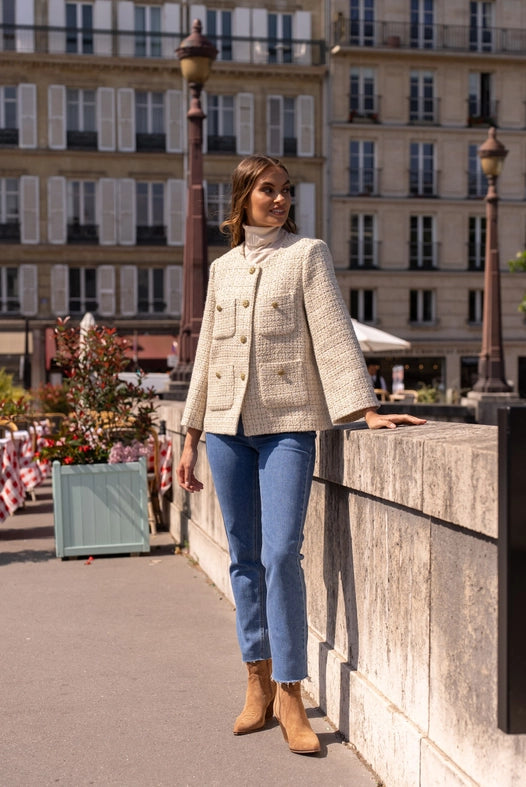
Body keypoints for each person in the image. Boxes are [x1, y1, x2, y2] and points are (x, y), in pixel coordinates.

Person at [177, 154, 426, 755]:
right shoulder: (222, 269)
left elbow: (334, 333)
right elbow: (208, 350)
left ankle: (291, 690)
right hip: (225, 428)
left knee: (280, 550)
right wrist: (188, 436)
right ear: (243, 198)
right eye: (269, 191)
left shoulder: (307, 255)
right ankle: (256, 681)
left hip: (288, 423)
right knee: (242, 554)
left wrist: (365, 408)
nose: (281, 200)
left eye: (286, 191)